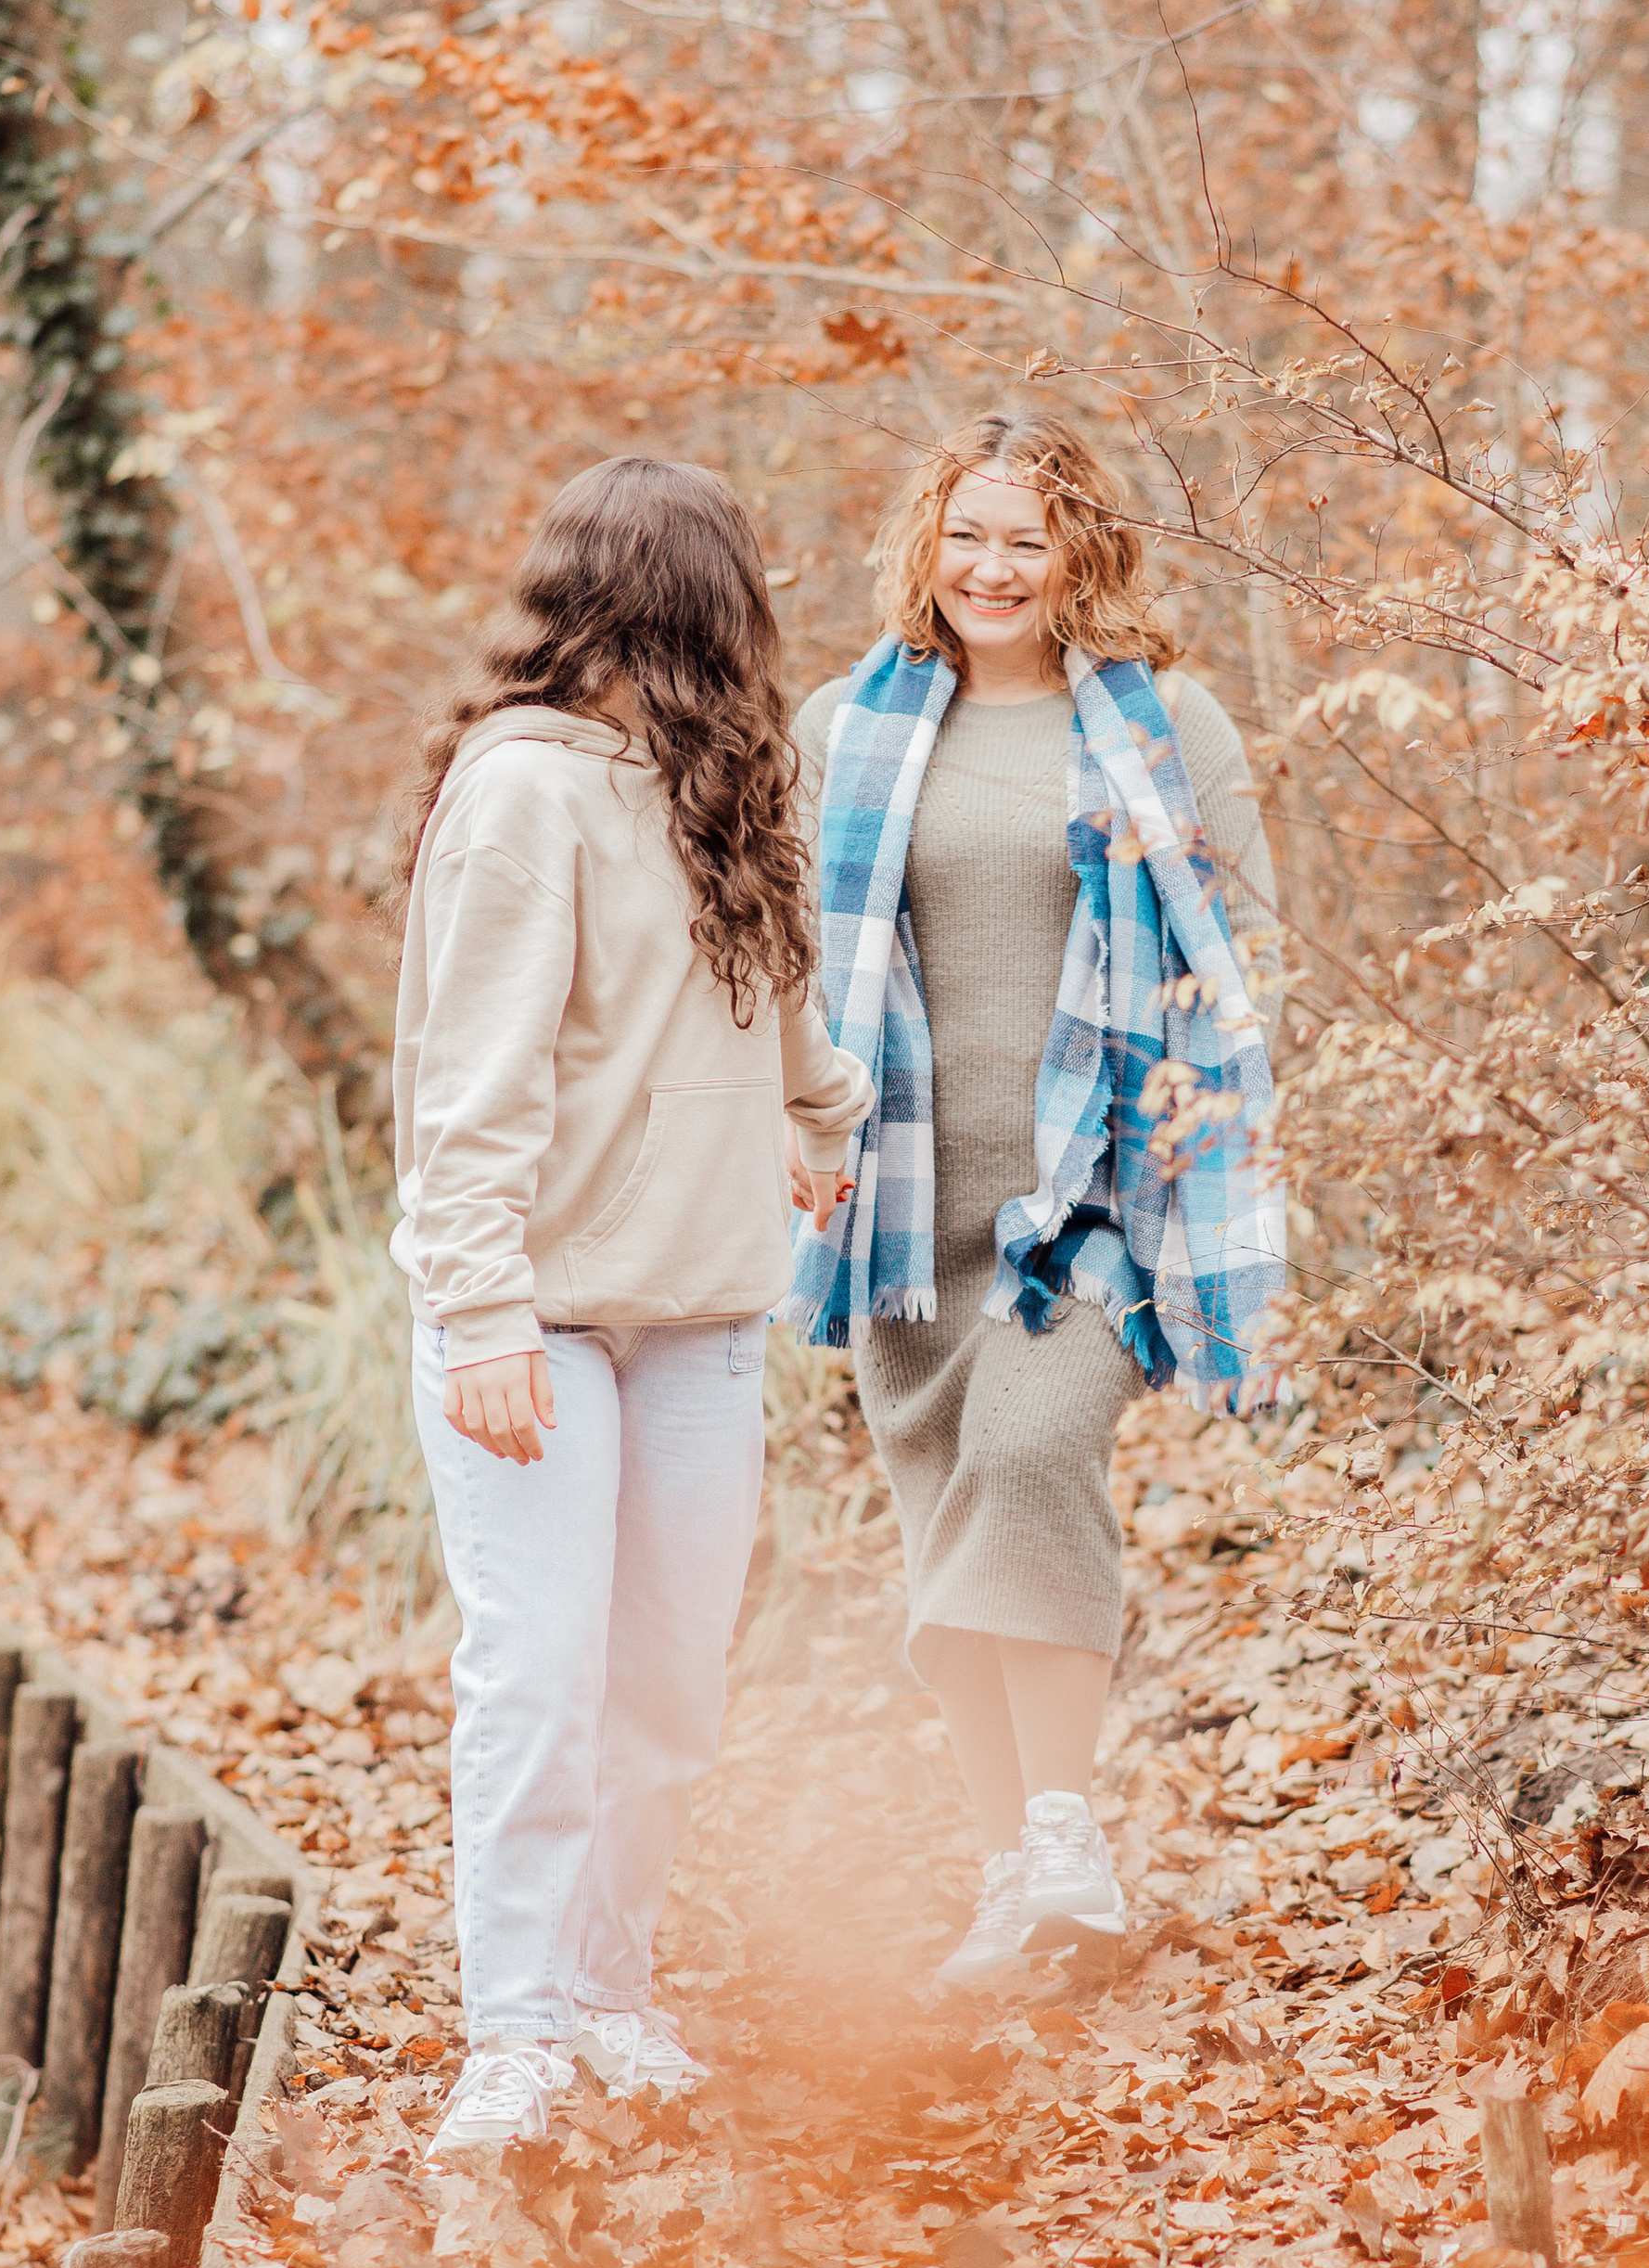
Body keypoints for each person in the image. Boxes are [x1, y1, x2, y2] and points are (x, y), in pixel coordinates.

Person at [391, 457, 872, 2159]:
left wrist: (821, 1120)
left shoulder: (729, 777)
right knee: (538, 1671)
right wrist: (484, 1311)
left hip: (706, 1302)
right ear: (678, 604)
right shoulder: (525, 791)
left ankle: (609, 1990)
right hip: (542, 1311)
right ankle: (512, 2030)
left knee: (668, 1679)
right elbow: (475, 1082)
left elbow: (778, 985)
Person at [786, 410, 1281, 1987]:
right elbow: (787, 964)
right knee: (945, 1527)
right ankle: (1014, 1872)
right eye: (969, 534)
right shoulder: (842, 733)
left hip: (1098, 1200)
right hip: (900, 1203)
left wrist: (1205, 1157)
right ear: (927, 545)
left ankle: (1064, 1833)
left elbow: (1251, 947)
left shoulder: (1163, 724)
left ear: (1082, 552)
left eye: (1028, 537)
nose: (994, 567)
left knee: (1026, 1450)